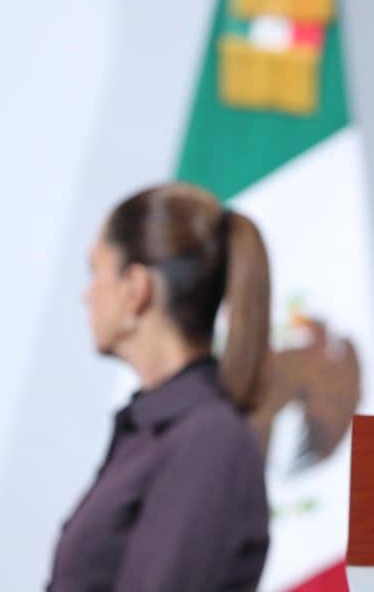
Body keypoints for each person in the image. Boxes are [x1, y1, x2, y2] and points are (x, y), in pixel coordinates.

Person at [48, 183, 271, 590]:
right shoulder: (157, 431)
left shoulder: (208, 441)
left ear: (136, 289)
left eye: (95, 271)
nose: (87, 294)